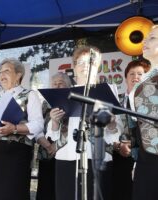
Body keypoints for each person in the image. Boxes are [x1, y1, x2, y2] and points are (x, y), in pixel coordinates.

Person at [47, 46, 124, 200]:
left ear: (98, 67)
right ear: (74, 68)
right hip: (66, 158)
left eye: (90, 62)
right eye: (80, 62)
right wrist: (54, 121)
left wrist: (111, 123)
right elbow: (53, 135)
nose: (85, 66)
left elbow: (117, 131)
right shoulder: (64, 93)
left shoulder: (108, 90)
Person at [0, 58, 44, 200]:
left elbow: (38, 125)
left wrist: (14, 129)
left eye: (6, 71)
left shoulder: (29, 95)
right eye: (0, 72)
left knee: (14, 194)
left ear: (18, 75)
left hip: (16, 154)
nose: (2, 75)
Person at [112, 60, 150, 200]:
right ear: (125, 78)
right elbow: (107, 129)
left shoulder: (151, 101)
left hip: (145, 158)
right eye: (131, 74)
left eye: (140, 74)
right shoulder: (116, 101)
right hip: (119, 159)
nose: (135, 77)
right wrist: (117, 145)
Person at [129, 25, 158, 200]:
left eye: (152, 38)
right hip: (146, 161)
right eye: (145, 38)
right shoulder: (141, 82)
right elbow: (136, 126)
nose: (145, 41)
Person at [36, 72, 72, 200]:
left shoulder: (73, 101)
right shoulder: (45, 104)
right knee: (46, 191)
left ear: (68, 86)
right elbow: (37, 128)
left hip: (67, 154)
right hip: (47, 153)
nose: (57, 87)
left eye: (60, 84)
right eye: (54, 84)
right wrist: (48, 146)